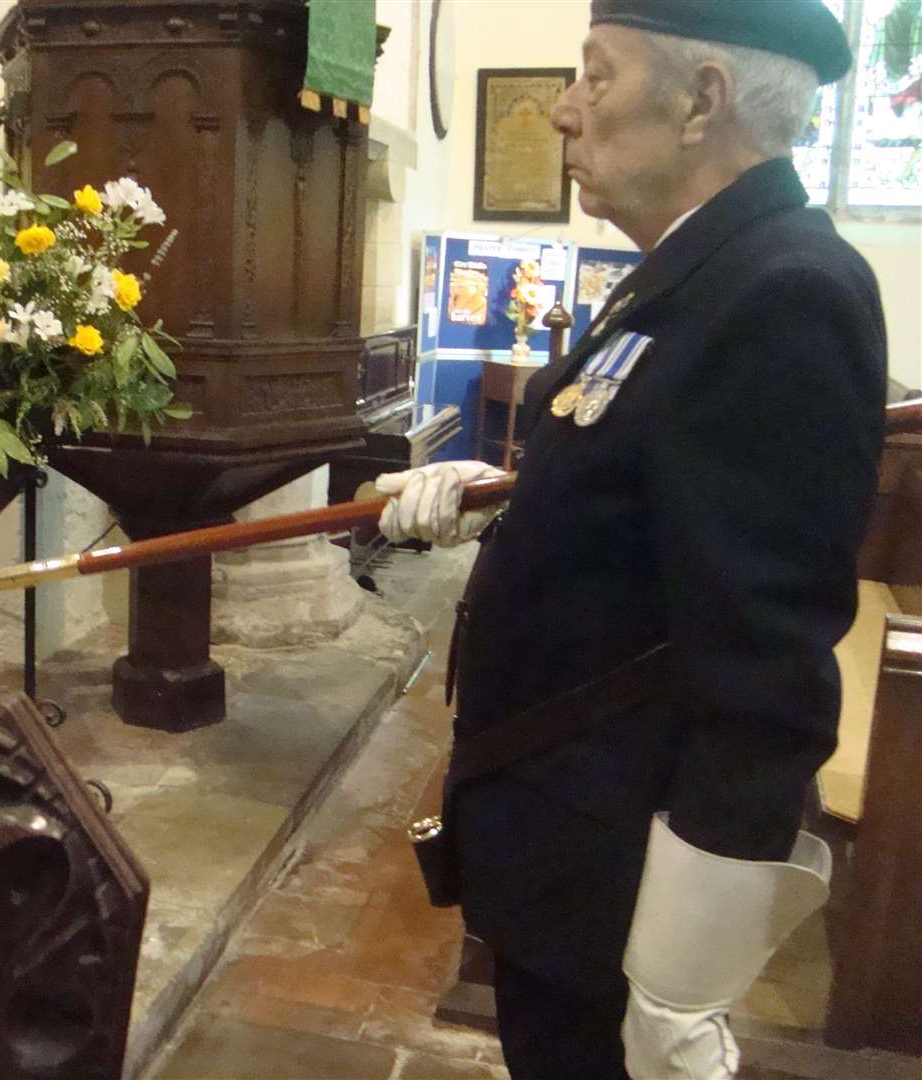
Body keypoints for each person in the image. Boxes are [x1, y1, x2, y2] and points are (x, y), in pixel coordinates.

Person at [377, 2, 887, 1077]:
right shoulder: (691, 270)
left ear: (701, 101)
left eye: (596, 77)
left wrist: (681, 979)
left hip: (624, 869)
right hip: (569, 843)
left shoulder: (783, 290)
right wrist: (501, 488)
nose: (563, 111)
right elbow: (651, 490)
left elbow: (765, 667)